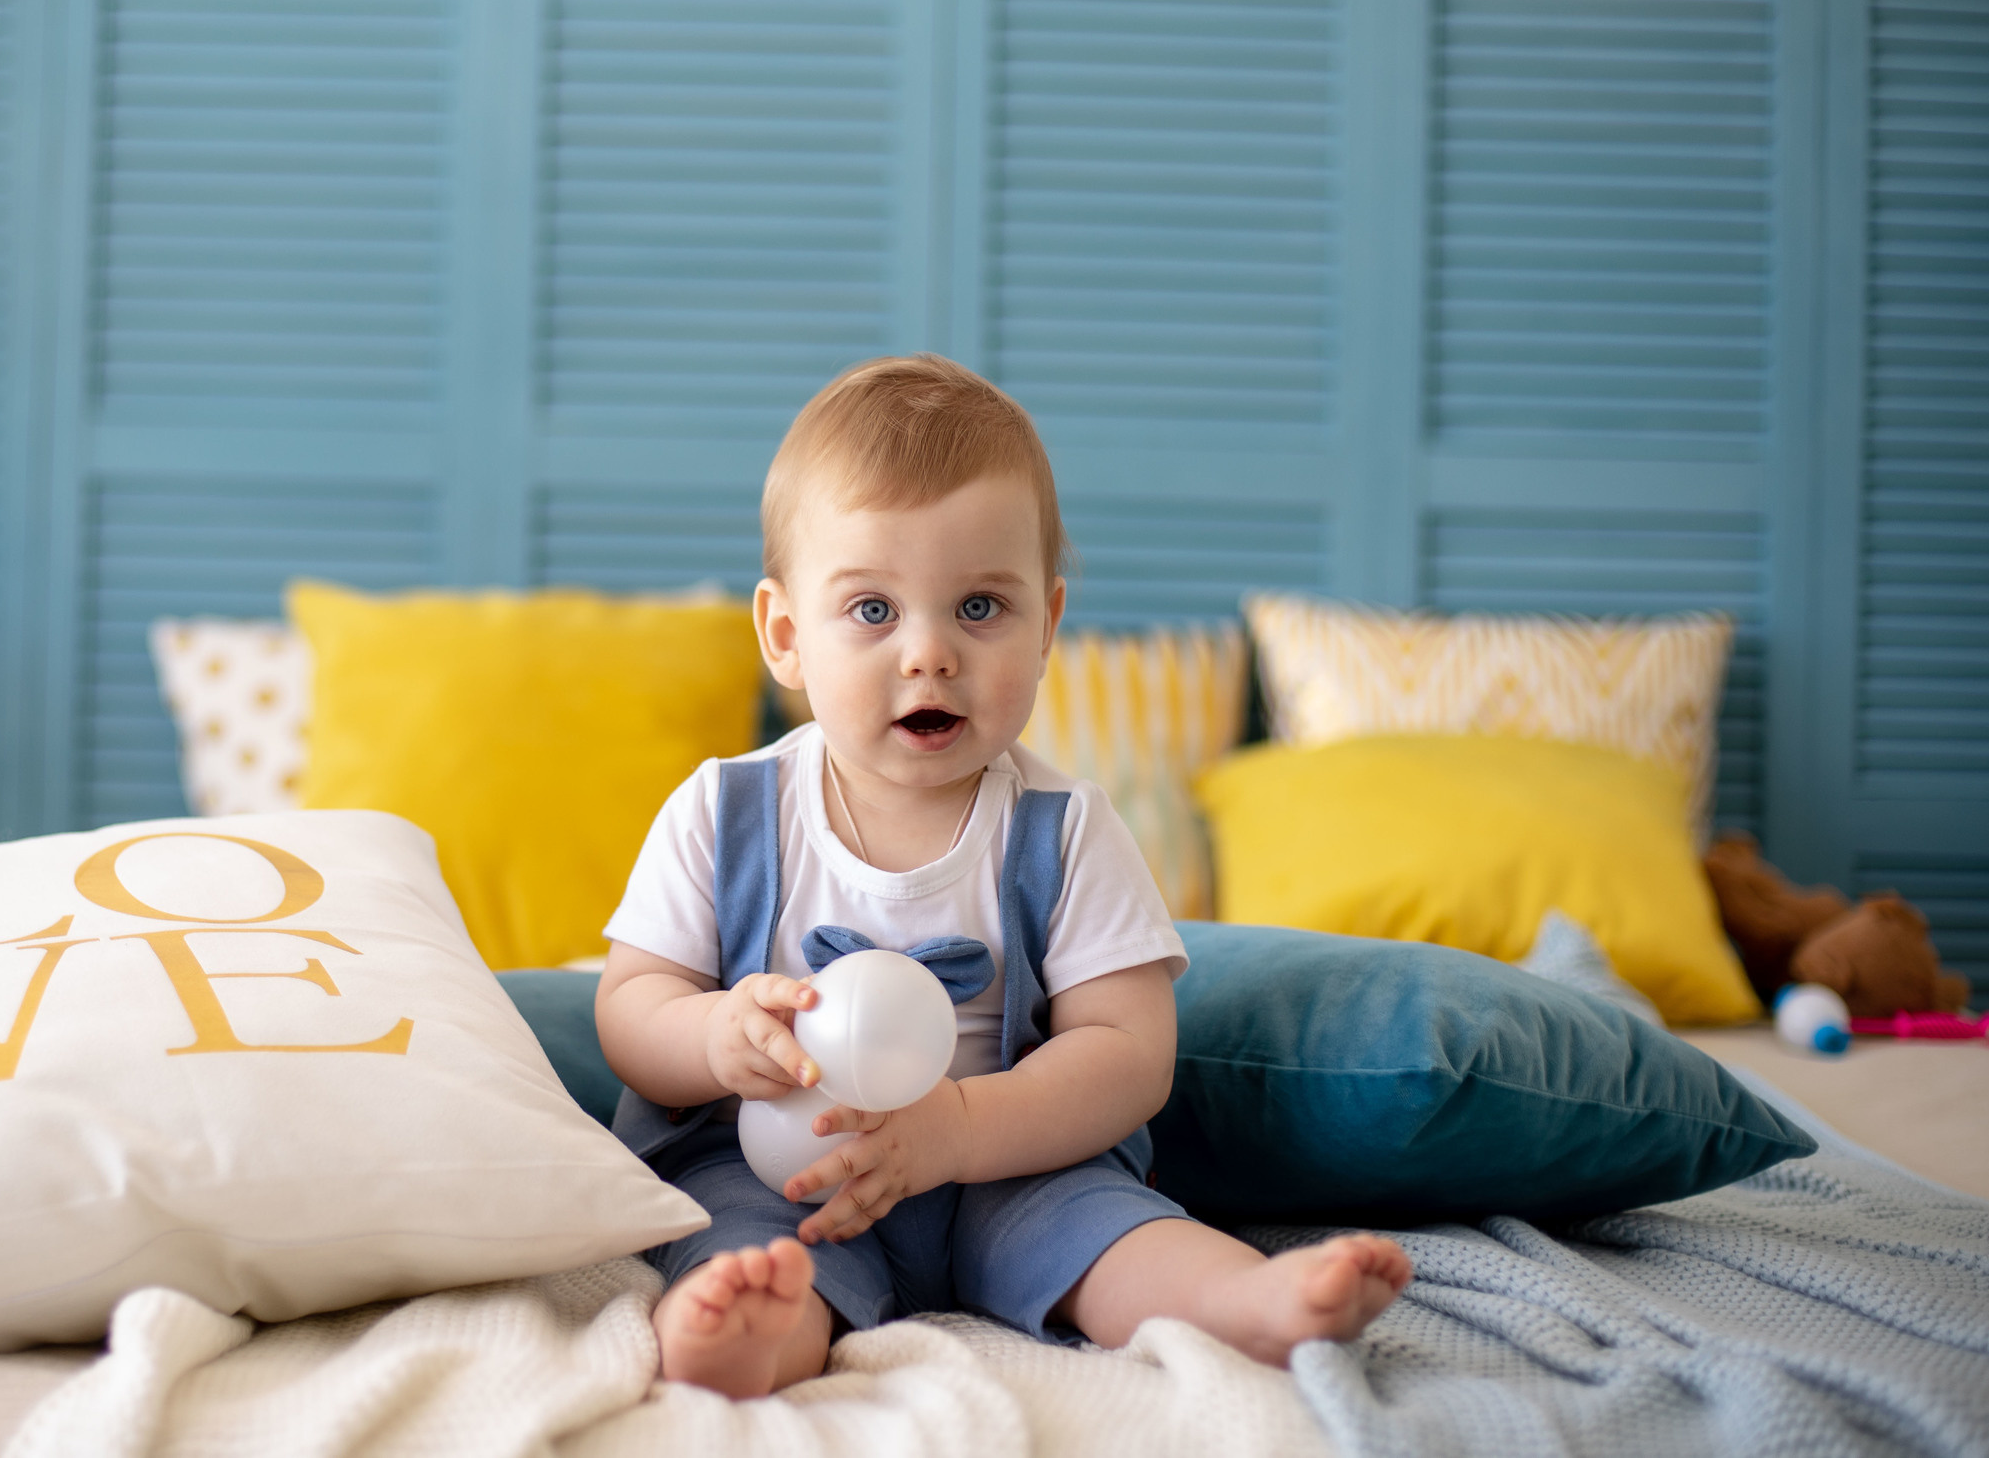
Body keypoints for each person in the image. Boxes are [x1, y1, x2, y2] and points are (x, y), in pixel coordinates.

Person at [594, 355, 1412, 1399]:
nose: (929, 653)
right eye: (873, 612)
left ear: (1048, 621)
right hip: (786, 1168)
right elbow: (630, 1005)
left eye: (980, 608)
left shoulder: (1063, 830)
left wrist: (961, 1132)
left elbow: (1126, 1053)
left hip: (1010, 1166)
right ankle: (744, 1333)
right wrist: (711, 1037)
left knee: (1109, 1231)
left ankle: (1244, 1304)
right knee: (748, 1244)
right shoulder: (724, 813)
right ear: (786, 636)